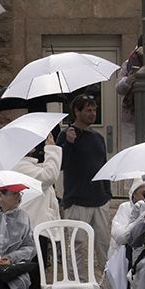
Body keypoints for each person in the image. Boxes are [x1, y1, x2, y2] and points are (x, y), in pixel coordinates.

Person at [56, 94, 111, 269]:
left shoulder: (98, 137)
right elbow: (61, 165)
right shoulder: (65, 135)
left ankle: (107, 281)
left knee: (104, 244)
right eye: (88, 110)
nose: (92, 113)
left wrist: (107, 193)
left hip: (100, 199)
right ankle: (76, 282)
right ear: (76, 111)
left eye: (94, 110)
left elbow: (103, 165)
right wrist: (69, 144)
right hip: (77, 200)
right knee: (77, 245)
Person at [11, 140, 63, 226]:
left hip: (35, 221)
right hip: (34, 223)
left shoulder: (22, 165)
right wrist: (51, 149)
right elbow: (49, 175)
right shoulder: (19, 166)